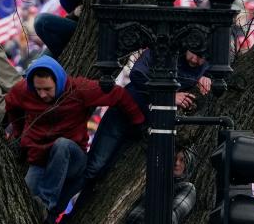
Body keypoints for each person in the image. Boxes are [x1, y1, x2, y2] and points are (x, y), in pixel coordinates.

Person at [5, 55, 145, 219]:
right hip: (40, 160)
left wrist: (138, 121)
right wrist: (19, 134)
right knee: (24, 208)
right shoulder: (23, 91)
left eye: (47, 89)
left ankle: (45, 203)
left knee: (61, 145)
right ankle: (47, 223)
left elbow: (118, 94)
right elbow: (11, 104)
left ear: (58, 82)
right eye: (38, 90)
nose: (42, 95)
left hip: (72, 158)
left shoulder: (79, 89)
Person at [83, 43, 210, 185]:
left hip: (144, 126)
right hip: (123, 114)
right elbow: (137, 74)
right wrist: (168, 96)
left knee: (109, 174)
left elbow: (220, 70)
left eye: (201, 58)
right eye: (193, 53)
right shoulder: (165, 50)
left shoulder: (206, 65)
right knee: (94, 167)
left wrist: (206, 76)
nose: (194, 60)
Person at [104, 147, 197, 224]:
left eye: (182, 160)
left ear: (189, 165)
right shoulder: (150, 180)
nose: (176, 163)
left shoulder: (186, 187)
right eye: (174, 158)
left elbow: (170, 219)